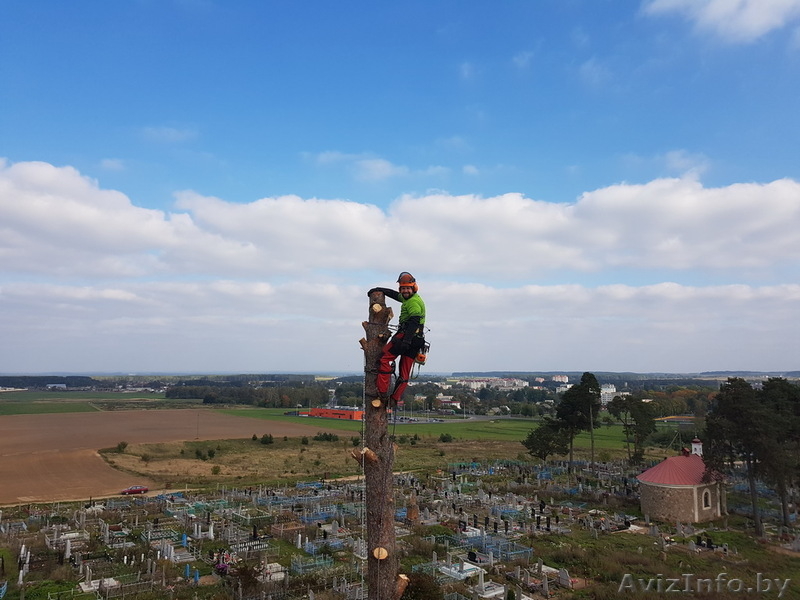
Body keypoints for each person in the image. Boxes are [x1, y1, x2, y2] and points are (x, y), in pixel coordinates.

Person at [368, 272, 426, 405]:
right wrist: (380, 290)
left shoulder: (413, 303)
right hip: (417, 340)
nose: (405, 291)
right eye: (403, 288)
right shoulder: (409, 298)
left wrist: (405, 340)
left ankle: (382, 393)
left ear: (413, 288)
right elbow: (396, 295)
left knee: (383, 358)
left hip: (405, 337)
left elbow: (414, 321)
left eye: (407, 288)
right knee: (404, 371)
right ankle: (395, 399)